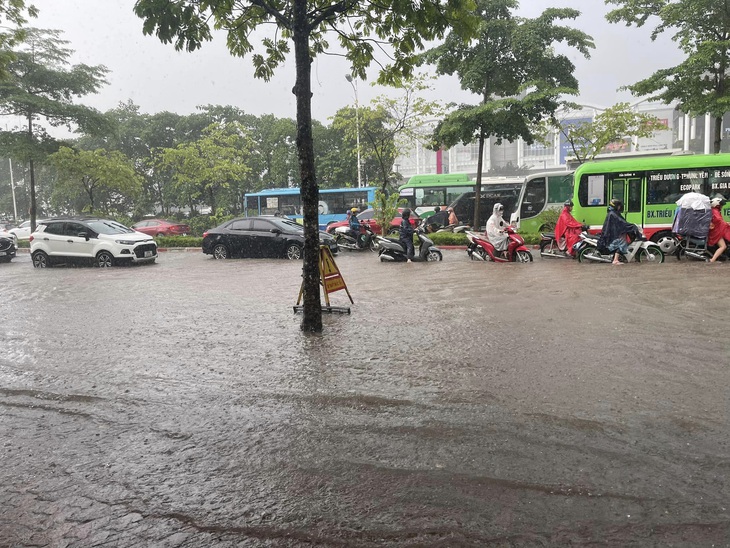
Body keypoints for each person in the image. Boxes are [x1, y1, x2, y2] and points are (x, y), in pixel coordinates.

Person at [597, 198, 638, 265]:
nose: (619, 207)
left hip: (613, 233)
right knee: (621, 243)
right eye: (618, 206)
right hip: (613, 235)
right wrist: (631, 226)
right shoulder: (613, 214)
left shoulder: (612, 212)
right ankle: (615, 260)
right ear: (616, 206)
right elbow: (621, 222)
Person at [708, 194, 730, 263]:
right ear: (717, 205)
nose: (722, 206)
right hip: (716, 233)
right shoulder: (715, 212)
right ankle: (712, 260)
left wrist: (726, 223)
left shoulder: (714, 211)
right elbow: (719, 221)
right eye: (721, 205)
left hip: (717, 232)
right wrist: (727, 224)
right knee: (723, 246)